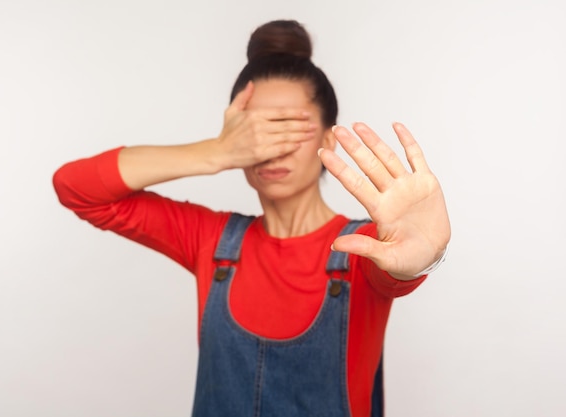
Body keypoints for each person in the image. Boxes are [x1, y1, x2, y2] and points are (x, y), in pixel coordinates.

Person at [53, 20, 450, 417]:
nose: (272, 150)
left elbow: (398, 268)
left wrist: (422, 258)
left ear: (328, 141)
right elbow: (77, 187)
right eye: (256, 133)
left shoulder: (364, 247)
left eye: (291, 129)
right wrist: (216, 153)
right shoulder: (210, 239)